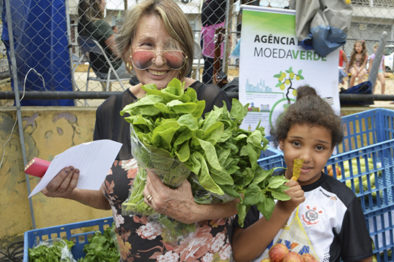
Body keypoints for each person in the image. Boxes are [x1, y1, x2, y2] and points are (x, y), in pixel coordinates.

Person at [43, 0, 237, 260]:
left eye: (171, 45)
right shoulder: (111, 112)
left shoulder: (210, 103)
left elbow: (241, 198)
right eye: (147, 44)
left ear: (186, 54)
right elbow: (111, 197)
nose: (159, 58)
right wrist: (70, 192)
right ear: (127, 53)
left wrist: (194, 211)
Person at [231, 85, 373, 262]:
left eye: (319, 147)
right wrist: (282, 210)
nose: (305, 157)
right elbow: (240, 255)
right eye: (296, 144)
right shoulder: (259, 191)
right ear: (281, 142)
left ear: (331, 151)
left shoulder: (341, 201)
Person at [77, 0, 131, 83]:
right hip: (113, 70)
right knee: (143, 66)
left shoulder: (81, 25)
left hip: (98, 70)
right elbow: (117, 51)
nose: (105, 3)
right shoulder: (101, 24)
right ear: (96, 3)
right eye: (103, 0)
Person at [200, 0, 227, 84]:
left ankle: (213, 88)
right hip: (207, 34)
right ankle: (206, 87)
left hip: (216, 33)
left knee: (216, 65)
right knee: (208, 64)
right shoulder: (207, 2)